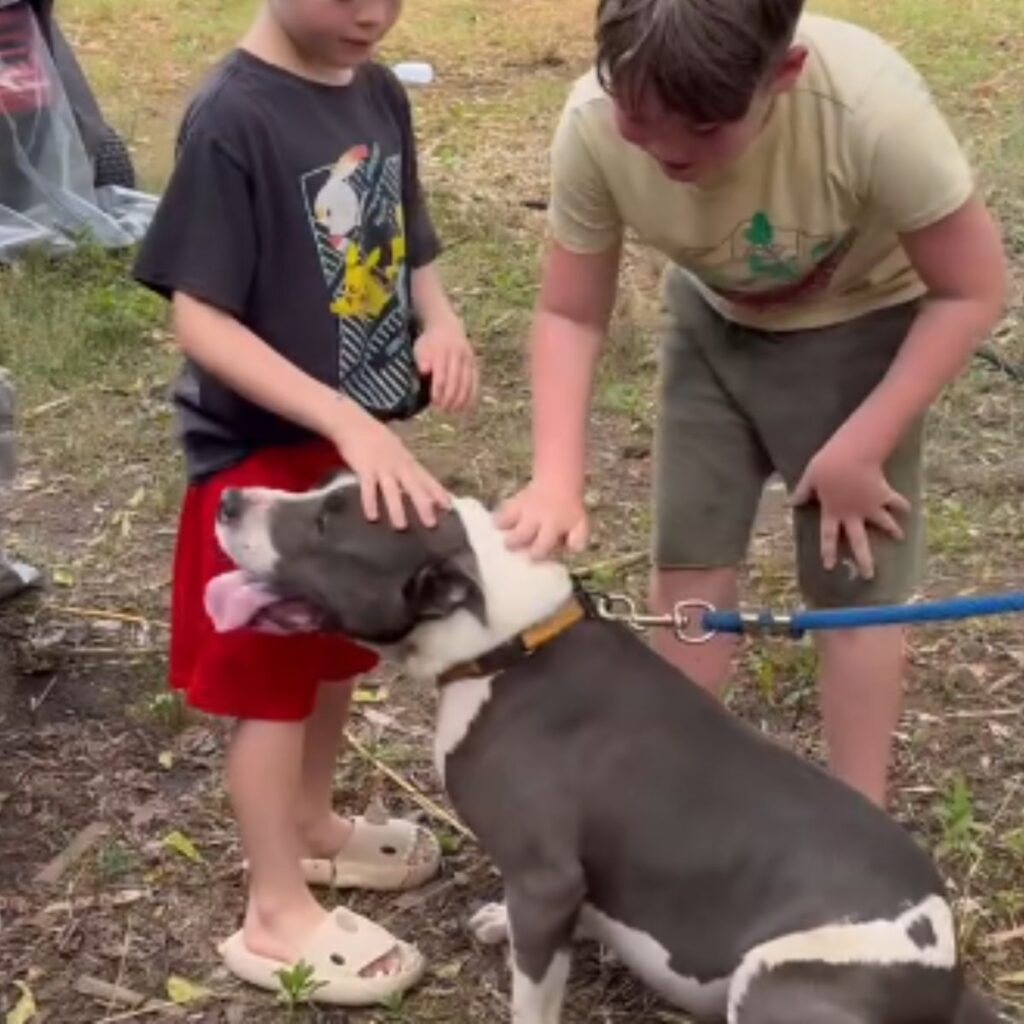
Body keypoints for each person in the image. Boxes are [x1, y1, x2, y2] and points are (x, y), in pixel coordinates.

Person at [498, 0, 1007, 808]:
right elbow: (569, 311)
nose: (667, 150)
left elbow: (972, 290)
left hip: (863, 326)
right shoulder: (591, 124)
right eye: (641, 120)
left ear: (786, 76)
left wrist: (863, 444)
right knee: (690, 561)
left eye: (703, 130)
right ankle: (677, 814)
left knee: (855, 585)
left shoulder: (870, 112)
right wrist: (556, 477)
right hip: (713, 324)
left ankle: (857, 826)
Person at [133, 0, 478, 1004]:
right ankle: (273, 906)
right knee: (268, 678)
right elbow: (200, 316)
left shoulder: (370, 87)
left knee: (333, 653)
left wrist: (441, 318)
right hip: (260, 458)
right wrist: (343, 416)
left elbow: (407, 235)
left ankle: (315, 828)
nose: (371, 11)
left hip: (345, 449)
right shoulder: (231, 119)